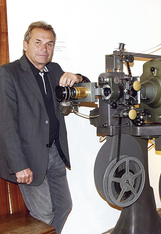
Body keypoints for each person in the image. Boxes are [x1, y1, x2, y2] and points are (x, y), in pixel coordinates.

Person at [0, 21, 89, 234]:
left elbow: (87, 89)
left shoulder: (54, 70)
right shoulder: (8, 73)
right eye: (38, 42)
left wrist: (77, 77)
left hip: (55, 153)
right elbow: (5, 124)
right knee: (44, 214)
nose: (44, 48)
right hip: (29, 157)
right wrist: (18, 165)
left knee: (64, 206)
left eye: (49, 44)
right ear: (25, 44)